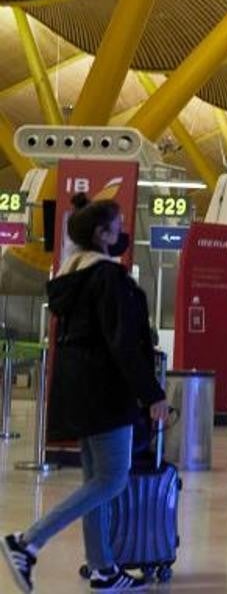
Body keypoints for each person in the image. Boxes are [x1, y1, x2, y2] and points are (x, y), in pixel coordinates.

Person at [3, 194, 170, 593]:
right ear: (101, 234)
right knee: (111, 481)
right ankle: (27, 543)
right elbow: (124, 342)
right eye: (117, 227)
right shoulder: (108, 279)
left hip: (79, 388)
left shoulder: (72, 277)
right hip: (105, 391)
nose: (123, 232)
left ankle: (102, 568)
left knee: (97, 479)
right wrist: (151, 393)